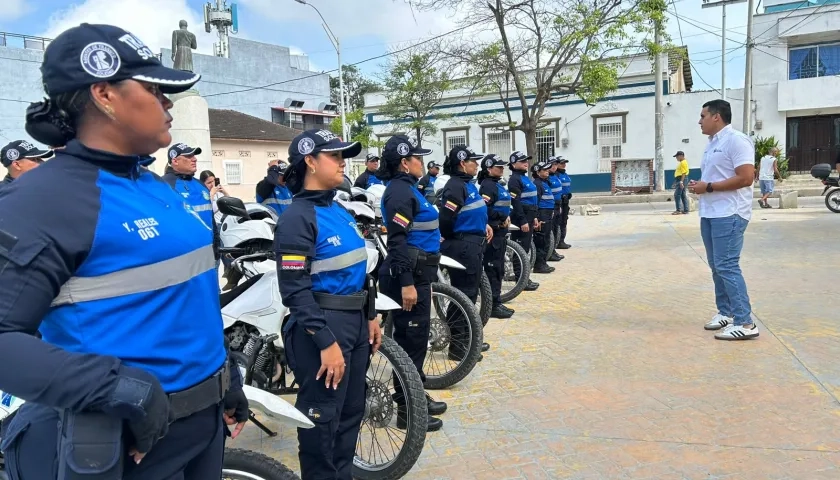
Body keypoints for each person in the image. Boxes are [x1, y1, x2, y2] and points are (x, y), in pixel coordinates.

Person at [0, 23, 247, 479]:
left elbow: (185, 297)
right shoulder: (45, 199)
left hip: (202, 427)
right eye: (155, 89)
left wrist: (225, 374)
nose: (168, 103)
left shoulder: (155, 187)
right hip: (126, 445)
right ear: (105, 94)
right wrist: (119, 388)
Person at [276, 128, 382, 480]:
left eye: (343, 156)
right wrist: (325, 341)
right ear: (310, 161)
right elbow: (293, 288)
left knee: (351, 413)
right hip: (323, 325)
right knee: (322, 421)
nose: (342, 163)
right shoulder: (296, 218)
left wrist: (371, 315)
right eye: (334, 156)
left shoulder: (338, 209)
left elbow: (359, 266)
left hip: (353, 322)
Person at [375, 135, 446, 432]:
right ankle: (408, 412)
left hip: (420, 275)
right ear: (405, 162)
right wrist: (406, 283)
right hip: (410, 278)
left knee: (416, 343)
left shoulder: (408, 190)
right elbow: (397, 241)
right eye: (418, 158)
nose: (423, 162)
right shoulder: (400, 194)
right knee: (411, 345)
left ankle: (416, 396)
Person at [689, 99, 758, 340]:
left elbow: (746, 178)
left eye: (702, 116)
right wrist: (701, 186)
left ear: (716, 117)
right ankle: (726, 313)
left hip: (729, 213)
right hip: (710, 213)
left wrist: (707, 187)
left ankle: (746, 322)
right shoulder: (711, 144)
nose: (700, 121)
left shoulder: (736, 140)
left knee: (727, 266)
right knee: (717, 266)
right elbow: (716, 178)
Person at [438, 145, 493, 360]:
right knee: (463, 296)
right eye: (473, 161)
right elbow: (446, 220)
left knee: (469, 295)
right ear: (462, 163)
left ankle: (468, 341)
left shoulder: (467, 185)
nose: (477, 165)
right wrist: (459, 237)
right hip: (463, 246)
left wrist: (483, 226)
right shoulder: (455, 186)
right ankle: (459, 348)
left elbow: (472, 212)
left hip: (473, 243)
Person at [478, 154, 515, 319]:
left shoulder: (497, 184)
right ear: (489, 168)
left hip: (500, 231)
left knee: (499, 268)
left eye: (502, 166)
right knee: (493, 268)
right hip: (493, 232)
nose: (502, 168)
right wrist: (501, 216)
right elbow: (485, 209)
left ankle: (497, 300)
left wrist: (507, 215)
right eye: (498, 166)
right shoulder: (487, 186)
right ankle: (492, 304)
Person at [507, 151, 540, 291]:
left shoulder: (524, 178)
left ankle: (525, 277)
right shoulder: (514, 179)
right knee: (521, 250)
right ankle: (521, 279)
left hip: (530, 215)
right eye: (522, 161)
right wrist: (522, 221)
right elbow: (516, 202)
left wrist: (535, 217)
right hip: (522, 216)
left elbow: (532, 198)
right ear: (514, 164)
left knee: (525, 249)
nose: (526, 163)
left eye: (526, 161)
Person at [531, 161, 556, 274]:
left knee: (546, 239)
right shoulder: (537, 184)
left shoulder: (545, 182)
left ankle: (543, 263)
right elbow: (536, 202)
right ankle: (539, 265)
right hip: (542, 213)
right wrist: (537, 217)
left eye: (547, 169)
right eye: (544, 170)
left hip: (548, 213)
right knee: (541, 240)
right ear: (538, 171)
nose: (547, 171)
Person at [546, 157, 565, 261]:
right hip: (551, 206)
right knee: (551, 231)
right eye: (552, 164)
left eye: (555, 164)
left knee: (555, 228)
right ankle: (550, 252)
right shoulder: (547, 177)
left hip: (558, 205)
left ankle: (553, 251)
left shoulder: (556, 176)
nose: (554, 167)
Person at [556, 158, 573, 249]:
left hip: (566, 201)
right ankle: (558, 241)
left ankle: (562, 240)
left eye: (564, 163)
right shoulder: (556, 175)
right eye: (561, 163)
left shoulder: (564, 174)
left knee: (564, 221)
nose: (564, 165)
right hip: (560, 201)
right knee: (560, 221)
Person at [673, 151, 690, 215]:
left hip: (682, 179)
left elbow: (684, 173)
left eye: (677, 156)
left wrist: (681, 182)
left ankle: (678, 210)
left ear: (681, 156)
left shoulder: (683, 163)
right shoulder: (682, 162)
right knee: (683, 194)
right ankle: (686, 209)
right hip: (680, 179)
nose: (676, 158)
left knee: (677, 194)